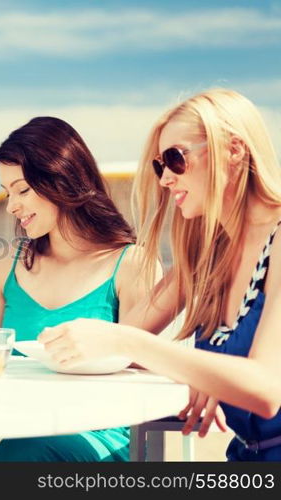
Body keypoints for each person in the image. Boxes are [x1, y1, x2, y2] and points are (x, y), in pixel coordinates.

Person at [40, 89, 281, 461]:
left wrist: (211, 373)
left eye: (175, 159)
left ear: (234, 151)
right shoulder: (212, 250)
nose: (166, 178)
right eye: (159, 165)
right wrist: (213, 373)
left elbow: (265, 389)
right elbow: (121, 346)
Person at [0, 117, 151, 461]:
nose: (11, 206)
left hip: (97, 438)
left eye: (22, 190)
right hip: (16, 430)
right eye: (7, 193)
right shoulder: (9, 264)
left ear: (63, 180)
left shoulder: (130, 264)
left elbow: (142, 367)